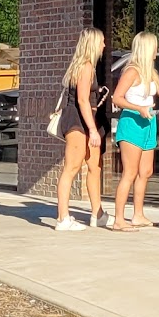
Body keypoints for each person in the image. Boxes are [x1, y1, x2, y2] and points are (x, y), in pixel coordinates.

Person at [53, 28, 108, 231]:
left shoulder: (85, 66)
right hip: (77, 121)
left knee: (95, 165)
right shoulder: (85, 67)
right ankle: (63, 218)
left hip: (87, 120)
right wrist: (92, 130)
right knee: (71, 168)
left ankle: (97, 214)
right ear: (93, 44)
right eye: (101, 42)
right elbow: (82, 100)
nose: (104, 45)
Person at [111, 31, 159, 231]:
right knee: (130, 172)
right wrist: (139, 108)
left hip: (149, 122)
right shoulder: (131, 71)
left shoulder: (151, 72)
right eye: (154, 47)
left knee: (146, 171)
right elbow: (117, 98)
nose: (157, 51)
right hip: (132, 122)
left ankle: (138, 215)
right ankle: (118, 219)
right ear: (147, 49)